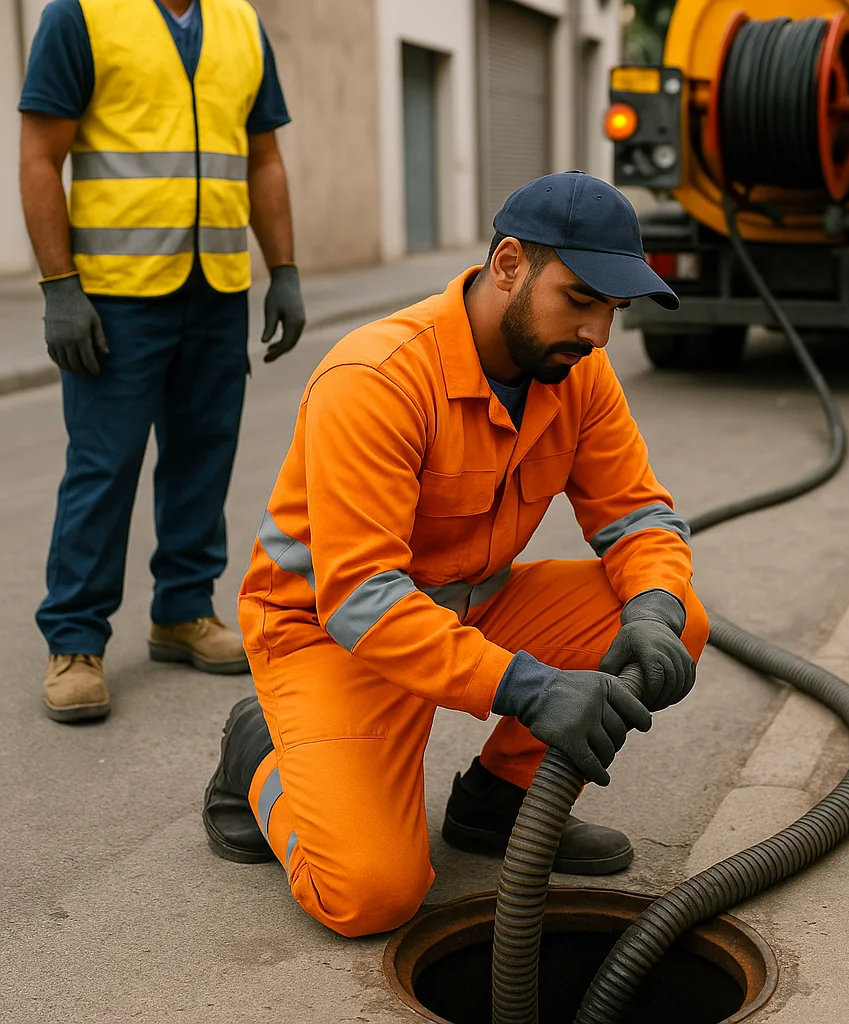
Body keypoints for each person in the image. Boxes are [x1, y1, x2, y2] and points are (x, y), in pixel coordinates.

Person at [203, 171, 710, 938]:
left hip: (466, 605)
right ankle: (260, 760)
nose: (599, 335)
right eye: (580, 300)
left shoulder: (577, 372)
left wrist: (654, 604)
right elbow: (361, 601)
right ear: (508, 265)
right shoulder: (375, 379)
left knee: (675, 619)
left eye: (615, 309)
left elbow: (637, 513)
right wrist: (528, 687)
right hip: (332, 635)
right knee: (372, 893)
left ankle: (498, 805)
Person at [19, 0, 306, 724]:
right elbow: (38, 157)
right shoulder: (79, 16)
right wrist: (59, 287)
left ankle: (182, 610)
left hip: (215, 290)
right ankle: (76, 640)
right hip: (116, 296)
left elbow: (263, 156)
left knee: (203, 456)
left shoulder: (241, 23)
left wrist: (286, 270)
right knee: (104, 464)